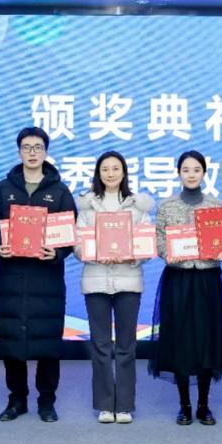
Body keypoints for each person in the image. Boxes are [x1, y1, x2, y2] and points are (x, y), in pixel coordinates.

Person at [0, 127, 76, 423]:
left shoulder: (59, 192)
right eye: (27, 147)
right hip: (12, 277)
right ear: (19, 152)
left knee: (48, 343)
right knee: (12, 342)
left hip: (46, 278)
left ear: (46, 152)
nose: (32, 152)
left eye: (38, 147)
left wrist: (57, 252)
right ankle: (17, 400)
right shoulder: (3, 189)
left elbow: (70, 233)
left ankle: (47, 401)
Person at [150, 150, 222, 426]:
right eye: (186, 170)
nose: (191, 174)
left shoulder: (216, 205)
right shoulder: (166, 206)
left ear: (204, 173)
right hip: (179, 280)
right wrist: (168, 253)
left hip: (207, 280)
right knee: (180, 341)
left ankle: (204, 405)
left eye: (196, 170)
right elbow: (159, 240)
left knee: (207, 340)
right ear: (179, 174)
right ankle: (184, 405)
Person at [73, 151, 153, 424]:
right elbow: (77, 244)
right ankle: (105, 405)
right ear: (98, 173)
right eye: (105, 169)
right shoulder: (87, 207)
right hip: (95, 281)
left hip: (128, 281)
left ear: (124, 172)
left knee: (127, 346)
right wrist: (95, 254)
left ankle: (125, 405)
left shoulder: (137, 207)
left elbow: (146, 242)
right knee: (100, 345)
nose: (110, 173)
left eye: (115, 168)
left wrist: (132, 256)